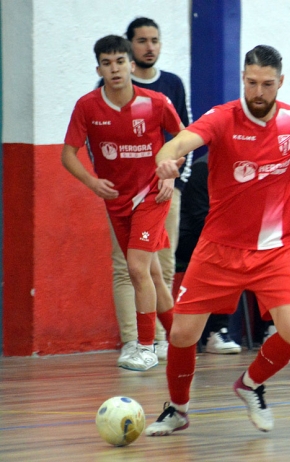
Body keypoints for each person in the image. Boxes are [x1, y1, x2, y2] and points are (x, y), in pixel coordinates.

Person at [145, 45, 290, 436]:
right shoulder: (222, 118)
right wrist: (165, 161)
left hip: (274, 250)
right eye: (251, 83)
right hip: (219, 248)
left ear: (280, 82)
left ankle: (250, 384)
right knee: (182, 334)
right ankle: (177, 409)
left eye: (266, 84)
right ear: (242, 80)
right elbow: (180, 142)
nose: (258, 92)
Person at [61, 35, 183, 371]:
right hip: (117, 201)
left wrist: (171, 173)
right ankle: (179, 342)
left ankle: (145, 348)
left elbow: (184, 139)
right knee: (155, 275)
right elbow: (67, 154)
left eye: (119, 61)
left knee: (136, 268)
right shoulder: (87, 106)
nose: (114, 68)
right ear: (98, 67)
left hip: (152, 195)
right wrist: (91, 182)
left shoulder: (156, 102)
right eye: (106, 62)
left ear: (131, 64)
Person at [105, 17, 194, 367]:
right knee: (128, 267)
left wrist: (174, 176)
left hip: (164, 191)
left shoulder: (171, 85)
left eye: (154, 40)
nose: (149, 47)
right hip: (124, 196)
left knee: (162, 268)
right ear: (128, 48)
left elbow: (185, 137)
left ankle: (163, 339)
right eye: (141, 41)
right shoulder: (107, 90)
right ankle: (134, 341)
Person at [175, 156, 241, 354]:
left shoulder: (239, 173)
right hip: (189, 239)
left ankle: (274, 328)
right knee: (225, 253)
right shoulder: (201, 170)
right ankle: (216, 331)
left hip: (222, 237)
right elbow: (199, 219)